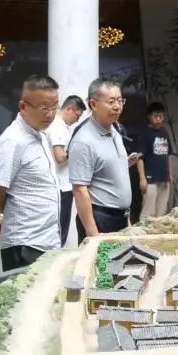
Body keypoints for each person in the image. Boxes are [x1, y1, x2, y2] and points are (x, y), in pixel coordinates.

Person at [0, 75, 61, 271]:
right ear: (23, 106)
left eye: (55, 107)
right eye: (44, 108)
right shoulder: (12, 141)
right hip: (25, 244)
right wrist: (10, 213)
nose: (51, 114)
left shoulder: (41, 134)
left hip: (46, 240)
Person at [69, 78, 141, 242]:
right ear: (93, 104)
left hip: (121, 217)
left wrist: (127, 219)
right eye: (111, 102)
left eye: (120, 101)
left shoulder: (114, 130)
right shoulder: (84, 140)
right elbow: (80, 189)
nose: (117, 106)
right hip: (100, 219)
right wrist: (93, 234)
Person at [47, 94, 85, 247]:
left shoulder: (62, 126)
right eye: (77, 115)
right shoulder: (57, 126)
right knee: (60, 232)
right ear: (69, 109)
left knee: (62, 230)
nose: (77, 119)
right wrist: (77, 150)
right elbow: (60, 157)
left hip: (64, 185)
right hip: (61, 187)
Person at [136, 102, 173, 220]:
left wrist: (170, 173)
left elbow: (168, 154)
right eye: (155, 116)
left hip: (164, 178)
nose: (158, 119)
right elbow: (139, 158)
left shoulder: (165, 132)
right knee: (148, 212)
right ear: (149, 117)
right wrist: (142, 178)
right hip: (150, 179)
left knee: (161, 212)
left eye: (160, 116)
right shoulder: (145, 133)